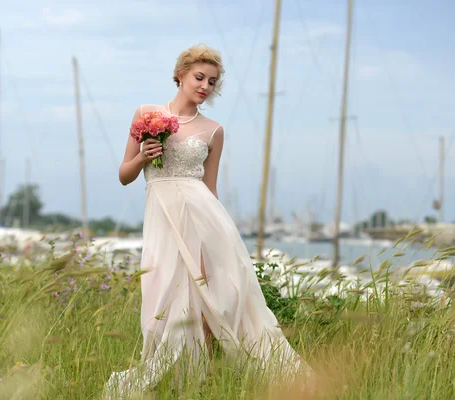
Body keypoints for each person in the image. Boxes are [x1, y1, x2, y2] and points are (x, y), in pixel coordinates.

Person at [104, 44, 310, 398]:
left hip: (203, 218)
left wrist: (217, 242)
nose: (205, 85)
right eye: (199, 77)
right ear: (180, 74)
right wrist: (142, 157)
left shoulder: (213, 130)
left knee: (207, 298)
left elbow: (209, 188)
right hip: (162, 218)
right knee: (160, 300)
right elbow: (124, 175)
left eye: (212, 81)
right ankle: (169, 378)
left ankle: (205, 382)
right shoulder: (145, 113)